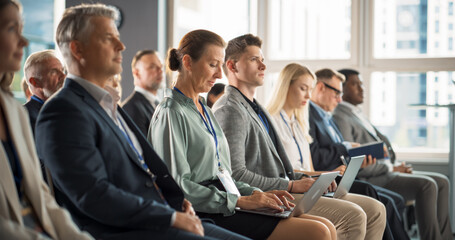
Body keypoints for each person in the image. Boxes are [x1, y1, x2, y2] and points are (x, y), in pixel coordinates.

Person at [35, 4, 245, 240]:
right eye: (108, 38)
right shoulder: (62, 111)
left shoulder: (108, 105)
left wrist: (177, 203)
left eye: (118, 38)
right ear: (77, 49)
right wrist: (169, 216)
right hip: (127, 230)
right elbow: (93, 196)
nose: (121, 46)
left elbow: (145, 174)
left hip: (161, 216)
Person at [149, 29, 336, 240]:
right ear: (188, 62)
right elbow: (178, 186)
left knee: (325, 226)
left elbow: (224, 174)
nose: (219, 75)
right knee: (317, 232)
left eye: (220, 66)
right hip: (205, 211)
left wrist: (255, 193)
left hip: (228, 200)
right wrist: (239, 201)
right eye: (212, 65)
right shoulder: (171, 112)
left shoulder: (203, 108)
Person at [212, 34, 387, 240]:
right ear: (232, 67)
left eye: (262, 60)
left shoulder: (257, 109)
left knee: (376, 209)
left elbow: (283, 169)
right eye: (254, 60)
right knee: (354, 215)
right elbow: (236, 175)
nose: (263, 66)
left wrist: (308, 178)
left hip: (285, 189)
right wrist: (293, 185)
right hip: (267, 195)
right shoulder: (230, 109)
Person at [0, 1, 92, 239]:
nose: (24, 41)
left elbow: (40, 194)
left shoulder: (13, 110)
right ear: (34, 83)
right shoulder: (28, 113)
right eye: (11, 29)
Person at [333, 68, 452, 240]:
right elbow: (354, 159)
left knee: (442, 181)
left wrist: (394, 166)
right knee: (428, 185)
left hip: (386, 170)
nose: (361, 88)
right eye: (355, 84)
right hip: (374, 176)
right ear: (342, 88)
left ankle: (446, 237)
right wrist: (391, 168)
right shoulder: (341, 116)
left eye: (361, 83)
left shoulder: (357, 113)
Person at [23, 49, 65, 134]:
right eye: (53, 72)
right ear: (35, 82)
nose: (64, 76)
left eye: (62, 70)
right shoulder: (25, 117)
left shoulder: (66, 109)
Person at [122, 50, 163, 136]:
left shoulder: (160, 104)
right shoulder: (131, 108)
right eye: (152, 67)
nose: (160, 70)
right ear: (137, 73)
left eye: (161, 66)